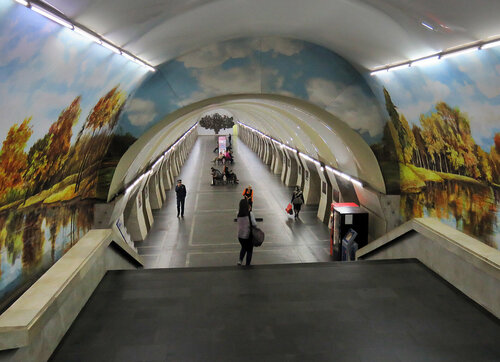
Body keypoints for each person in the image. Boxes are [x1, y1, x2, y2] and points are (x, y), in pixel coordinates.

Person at [236, 198, 256, 266]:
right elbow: (254, 224)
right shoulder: (250, 214)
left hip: (240, 236)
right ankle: (247, 264)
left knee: (244, 247)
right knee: (249, 250)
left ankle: (240, 260)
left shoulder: (238, 213)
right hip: (248, 236)